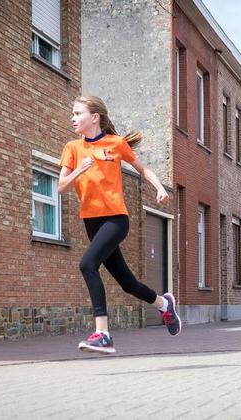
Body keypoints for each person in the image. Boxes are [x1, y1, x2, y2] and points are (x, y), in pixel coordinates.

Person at [59, 96, 181, 354]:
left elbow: (142, 169)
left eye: (78, 113)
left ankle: (102, 333)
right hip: (91, 222)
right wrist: (79, 170)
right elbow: (61, 187)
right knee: (127, 283)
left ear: (95, 117)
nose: (72, 118)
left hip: (116, 219)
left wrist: (159, 187)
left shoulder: (116, 144)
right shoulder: (72, 148)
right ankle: (163, 304)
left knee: (87, 264)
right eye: (72, 113)